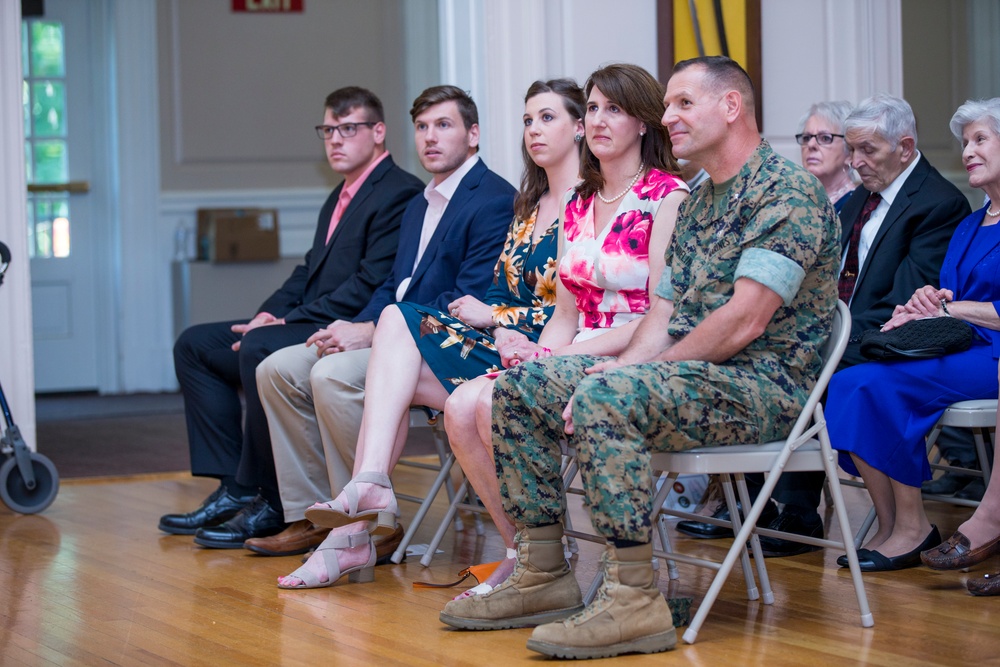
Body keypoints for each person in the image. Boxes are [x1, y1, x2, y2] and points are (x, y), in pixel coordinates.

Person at [440, 56, 839, 660]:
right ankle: (544, 572)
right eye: (668, 104)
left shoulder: (787, 191)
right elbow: (661, 312)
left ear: (730, 107)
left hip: (763, 386)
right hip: (692, 376)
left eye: (683, 103)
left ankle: (632, 599)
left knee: (608, 396)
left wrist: (636, 375)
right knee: (526, 384)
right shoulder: (702, 200)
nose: (668, 116)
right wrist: (625, 365)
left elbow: (744, 319)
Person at [266, 77, 592, 587]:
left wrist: (501, 323)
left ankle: (361, 516)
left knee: (394, 335)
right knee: (387, 361)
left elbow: (575, 312)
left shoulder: (584, 205)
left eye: (547, 118)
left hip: (543, 352)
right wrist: (500, 320)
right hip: (501, 344)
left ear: (581, 127)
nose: (533, 130)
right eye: (528, 119)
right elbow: (496, 294)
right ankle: (360, 523)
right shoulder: (529, 207)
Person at [440, 63, 688, 599]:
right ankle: (527, 554)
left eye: (613, 109)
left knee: (495, 401)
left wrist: (553, 360)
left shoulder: (667, 197)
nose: (599, 120)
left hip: (635, 351)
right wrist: (535, 353)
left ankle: (549, 562)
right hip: (574, 347)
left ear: (644, 123)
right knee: (461, 405)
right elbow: (566, 316)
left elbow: (660, 317)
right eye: (593, 107)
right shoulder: (579, 202)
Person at [246, 85, 515, 558]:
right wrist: (357, 326)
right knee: (278, 368)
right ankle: (312, 512)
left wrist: (374, 330)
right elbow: (392, 285)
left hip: (441, 343)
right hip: (392, 329)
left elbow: (468, 296)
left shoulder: (492, 198)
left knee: (330, 375)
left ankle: (371, 522)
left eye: (444, 125)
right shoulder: (419, 203)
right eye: (423, 127)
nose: (430, 138)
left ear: (473, 134)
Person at [159, 87, 424, 542]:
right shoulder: (338, 195)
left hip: (347, 325)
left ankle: (267, 494)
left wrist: (284, 324)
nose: (335, 140)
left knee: (261, 348)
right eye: (328, 130)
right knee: (196, 346)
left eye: (349, 129)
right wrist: (268, 314)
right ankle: (233, 486)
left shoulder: (399, 193)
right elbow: (307, 270)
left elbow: (365, 285)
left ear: (378, 132)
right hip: (304, 318)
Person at [747, 93, 971, 557]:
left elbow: (903, 302)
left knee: (804, 370)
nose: (855, 161)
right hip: (843, 330)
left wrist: (825, 339)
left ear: (905, 148)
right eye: (851, 150)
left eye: (868, 150)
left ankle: (796, 509)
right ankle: (759, 506)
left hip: (889, 334)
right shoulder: (856, 202)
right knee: (758, 358)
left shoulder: (937, 204)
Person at [827, 97, 1000, 574]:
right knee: (849, 382)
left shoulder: (952, 210)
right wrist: (922, 304)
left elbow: (960, 305)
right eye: (965, 142)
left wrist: (951, 307)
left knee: (880, 383)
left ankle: (912, 527)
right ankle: (894, 525)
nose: (967, 151)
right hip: (960, 343)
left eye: (980, 140)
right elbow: (945, 295)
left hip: (993, 354)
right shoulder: (970, 224)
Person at [796, 101, 856, 212]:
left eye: (825, 138)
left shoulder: (858, 206)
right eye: (807, 138)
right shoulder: (795, 201)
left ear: (850, 151)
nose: (811, 145)